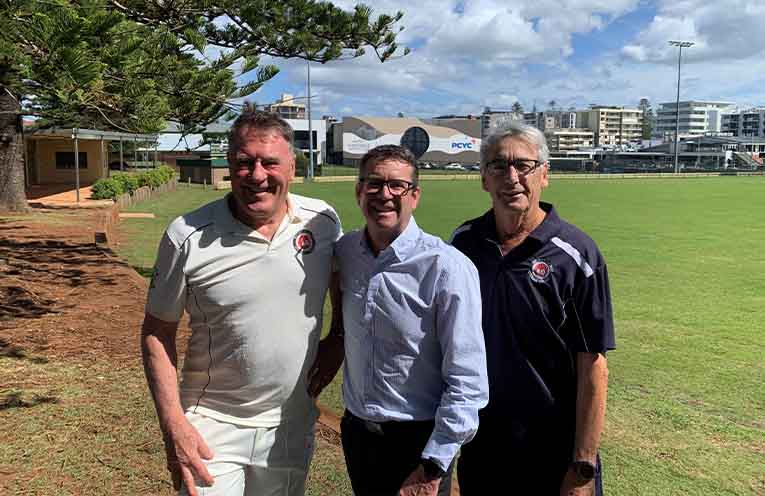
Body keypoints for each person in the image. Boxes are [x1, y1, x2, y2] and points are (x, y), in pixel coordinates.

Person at [141, 111, 343, 496]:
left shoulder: (322, 222)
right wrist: (174, 423)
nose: (257, 175)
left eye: (270, 162)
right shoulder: (187, 235)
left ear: (292, 167)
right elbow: (156, 331)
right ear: (230, 166)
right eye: (244, 162)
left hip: (291, 423)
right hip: (210, 422)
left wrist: (339, 339)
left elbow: (344, 284)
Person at [450, 120, 615, 496]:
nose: (512, 177)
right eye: (498, 165)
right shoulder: (462, 244)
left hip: (553, 453)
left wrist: (583, 465)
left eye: (524, 165)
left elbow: (593, 364)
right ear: (484, 179)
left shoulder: (577, 254)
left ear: (545, 175)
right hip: (484, 448)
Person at [318, 144, 489, 496]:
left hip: (419, 442)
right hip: (359, 436)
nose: (384, 194)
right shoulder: (346, 252)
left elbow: (468, 381)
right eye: (374, 183)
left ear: (415, 196)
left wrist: (434, 465)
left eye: (397, 186)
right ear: (359, 191)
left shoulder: (446, 267)